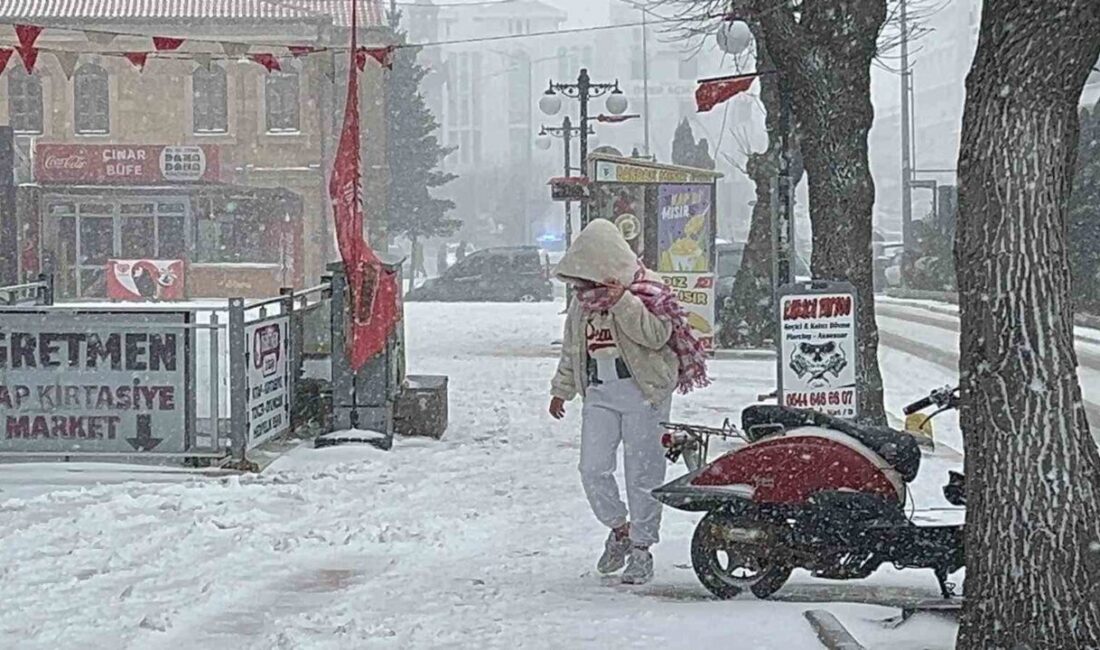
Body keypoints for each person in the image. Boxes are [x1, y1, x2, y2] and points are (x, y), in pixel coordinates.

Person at [549, 219, 709, 586]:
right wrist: (562, 387)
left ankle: (642, 547)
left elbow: (655, 336)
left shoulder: (648, 290)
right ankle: (619, 529)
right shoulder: (581, 303)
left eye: (588, 279)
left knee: (643, 473)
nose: (583, 287)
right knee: (592, 468)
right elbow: (573, 347)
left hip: (644, 391)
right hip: (600, 390)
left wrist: (623, 301)